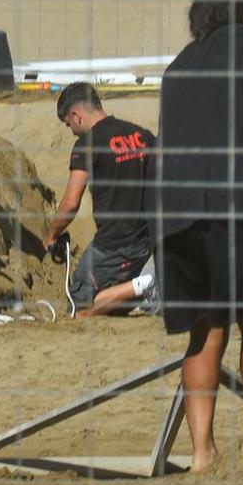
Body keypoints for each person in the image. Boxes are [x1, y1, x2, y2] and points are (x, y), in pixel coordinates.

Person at [153, 0, 243, 472]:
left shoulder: (179, 64)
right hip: (231, 202)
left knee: (204, 330)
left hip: (171, 213)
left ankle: (202, 454)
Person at [46, 84, 157, 316]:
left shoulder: (88, 144)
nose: (72, 131)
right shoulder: (143, 136)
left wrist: (52, 235)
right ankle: (141, 288)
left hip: (112, 245)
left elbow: (71, 203)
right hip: (146, 242)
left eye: (68, 124)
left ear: (76, 115)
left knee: (77, 306)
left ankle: (144, 285)